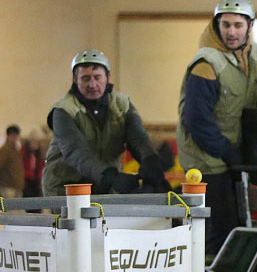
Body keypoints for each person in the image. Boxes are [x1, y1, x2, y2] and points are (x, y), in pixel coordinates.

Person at [176, 0, 257, 252]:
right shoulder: (207, 63)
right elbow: (197, 121)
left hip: (233, 149)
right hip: (206, 157)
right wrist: (228, 152)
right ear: (217, 26)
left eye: (238, 25)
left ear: (250, 26)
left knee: (241, 219)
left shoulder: (255, 56)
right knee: (221, 223)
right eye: (225, 25)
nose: (231, 32)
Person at [43, 50, 169, 197]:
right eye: (85, 78)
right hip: (67, 188)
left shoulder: (122, 105)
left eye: (97, 77)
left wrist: (150, 160)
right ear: (74, 79)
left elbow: (138, 137)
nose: (92, 84)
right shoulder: (63, 110)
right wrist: (110, 177)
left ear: (108, 77)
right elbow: (76, 152)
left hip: (106, 187)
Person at [0, 125, 25, 198]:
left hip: (17, 187)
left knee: (17, 209)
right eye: (13, 135)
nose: (15, 137)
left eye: (16, 135)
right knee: (10, 208)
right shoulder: (4, 150)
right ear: (8, 136)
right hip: (7, 187)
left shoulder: (15, 150)